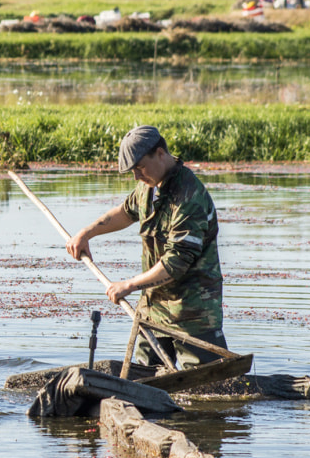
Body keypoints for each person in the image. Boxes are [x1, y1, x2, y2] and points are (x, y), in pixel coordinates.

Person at [66, 125, 227, 369]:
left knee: (206, 390)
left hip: (193, 315)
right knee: (142, 377)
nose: (137, 177)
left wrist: (128, 285)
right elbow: (125, 212)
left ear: (160, 154)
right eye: (133, 171)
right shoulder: (148, 186)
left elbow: (176, 263)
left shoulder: (189, 197)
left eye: (140, 167)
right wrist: (87, 233)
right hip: (153, 310)